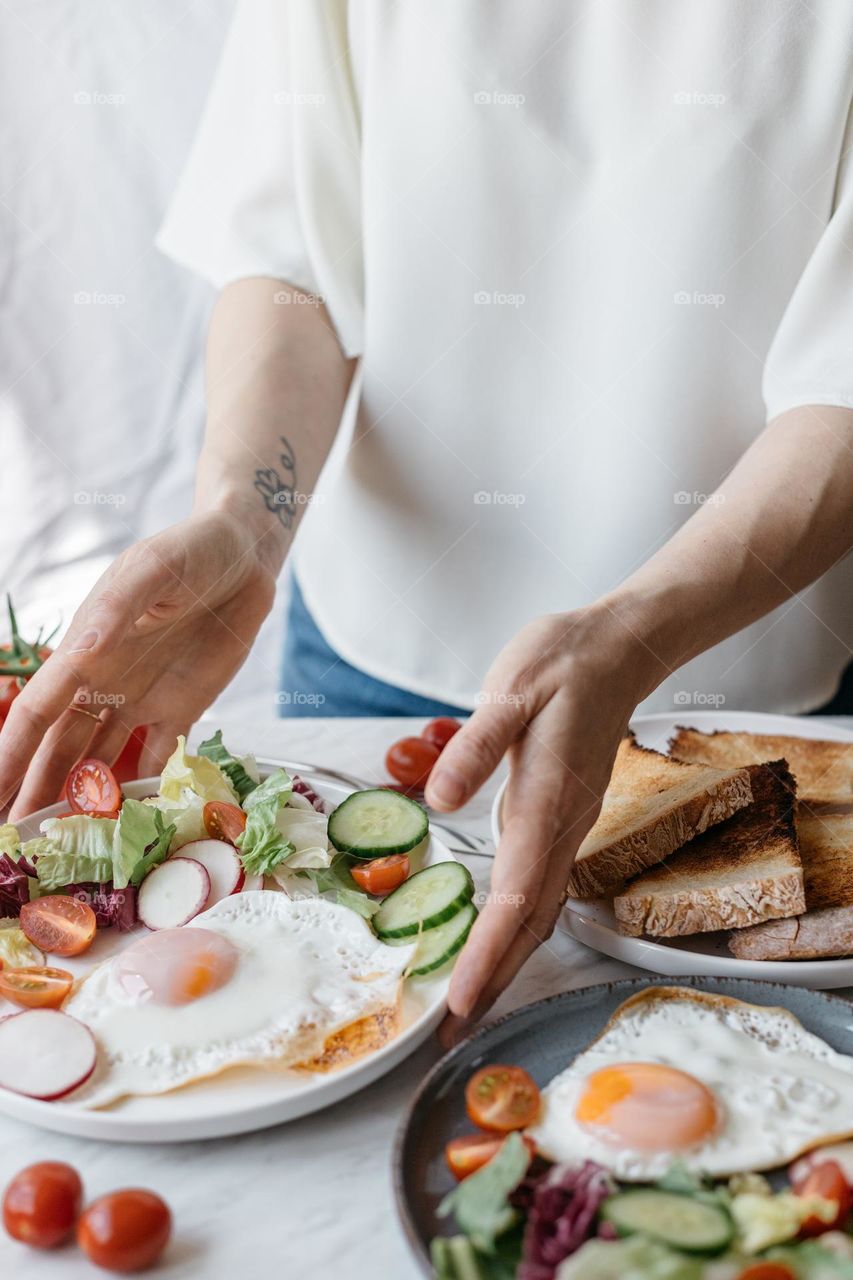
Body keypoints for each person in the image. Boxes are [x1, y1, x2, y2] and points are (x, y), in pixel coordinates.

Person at [1, 1, 852, 1036]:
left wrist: (632, 630)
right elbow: (293, 267)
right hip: (373, 643)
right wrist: (242, 517)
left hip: (733, 695)